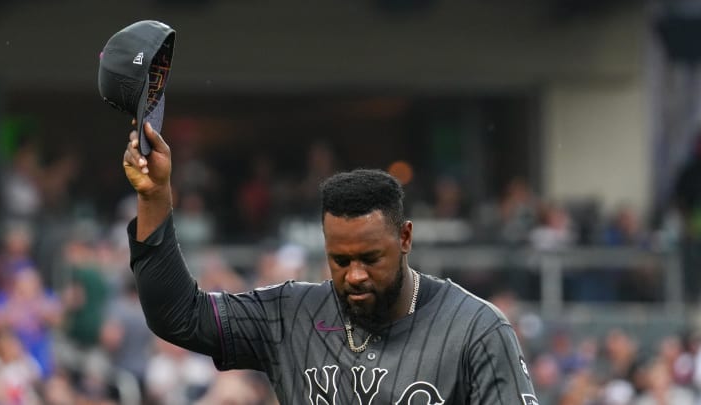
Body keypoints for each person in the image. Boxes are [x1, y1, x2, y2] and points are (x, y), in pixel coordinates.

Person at [121, 122, 538, 404]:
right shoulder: (290, 315)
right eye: (339, 260)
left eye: (370, 258)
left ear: (405, 238)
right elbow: (177, 315)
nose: (354, 275)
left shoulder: (476, 328)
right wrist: (154, 196)